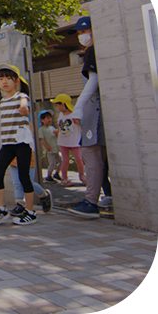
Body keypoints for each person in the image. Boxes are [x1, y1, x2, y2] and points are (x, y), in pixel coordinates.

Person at [67, 16, 112, 217]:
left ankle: (91, 202)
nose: (82, 36)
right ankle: (108, 196)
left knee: (91, 155)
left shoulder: (93, 51)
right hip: (99, 111)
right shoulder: (98, 51)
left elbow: (92, 82)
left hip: (95, 112)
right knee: (100, 157)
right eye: (79, 33)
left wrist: (78, 108)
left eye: (85, 31)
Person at [0, 63, 38, 226]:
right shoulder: (2, 102)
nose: (4, 82)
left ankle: (30, 212)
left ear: (16, 81)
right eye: (1, 79)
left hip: (21, 143)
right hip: (7, 144)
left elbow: (25, 105)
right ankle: (0, 208)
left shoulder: (21, 96)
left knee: (24, 177)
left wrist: (24, 109)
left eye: (8, 78)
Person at [50, 94, 86, 186]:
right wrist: (58, 131)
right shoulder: (61, 115)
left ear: (63, 104)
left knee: (79, 160)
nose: (57, 107)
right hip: (63, 141)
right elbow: (61, 127)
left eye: (58, 105)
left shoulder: (75, 114)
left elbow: (82, 125)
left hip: (74, 141)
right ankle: (64, 179)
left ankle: (82, 176)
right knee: (65, 160)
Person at [38, 110, 62, 182]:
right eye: (47, 118)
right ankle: (49, 175)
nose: (50, 120)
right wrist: (46, 146)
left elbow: (56, 135)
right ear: (42, 120)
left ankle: (57, 173)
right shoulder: (41, 129)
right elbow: (41, 139)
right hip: (50, 149)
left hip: (55, 148)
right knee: (52, 163)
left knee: (61, 161)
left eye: (50, 118)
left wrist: (57, 133)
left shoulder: (52, 128)